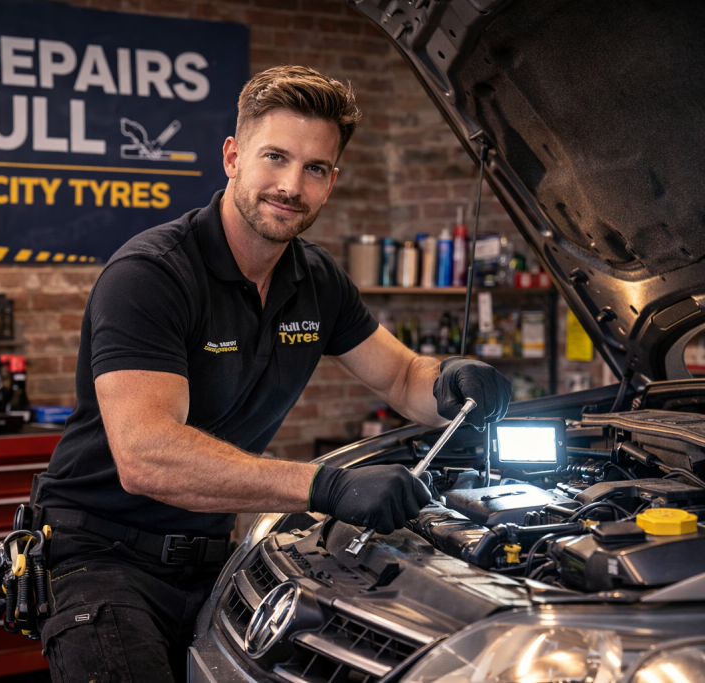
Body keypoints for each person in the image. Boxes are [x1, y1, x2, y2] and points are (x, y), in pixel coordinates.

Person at [32, 65, 511, 681]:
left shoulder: (317, 281)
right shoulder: (152, 275)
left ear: (332, 181)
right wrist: (326, 486)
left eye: (315, 168)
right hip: (98, 557)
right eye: (275, 158)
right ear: (233, 156)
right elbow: (145, 455)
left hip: (211, 558)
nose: (290, 185)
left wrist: (451, 383)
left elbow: (400, 378)